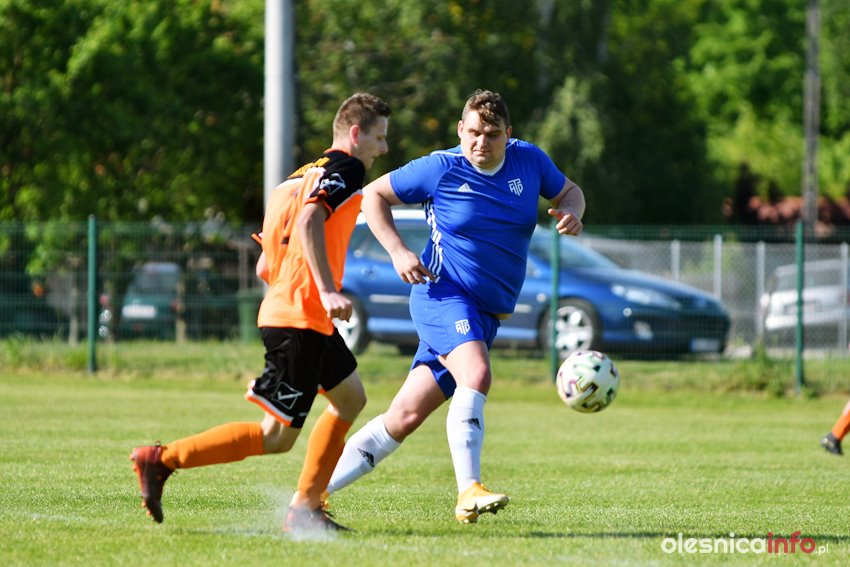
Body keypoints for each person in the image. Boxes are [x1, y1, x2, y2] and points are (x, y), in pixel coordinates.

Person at [129, 93, 391, 532]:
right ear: (355, 134)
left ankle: (306, 508)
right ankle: (162, 459)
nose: (383, 148)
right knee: (276, 436)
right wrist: (326, 290)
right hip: (300, 317)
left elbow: (264, 265)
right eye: (379, 138)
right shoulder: (347, 168)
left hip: (297, 312)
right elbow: (309, 221)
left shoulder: (293, 179)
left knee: (351, 399)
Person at [324, 89, 585, 524]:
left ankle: (312, 492)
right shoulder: (440, 167)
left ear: (508, 135)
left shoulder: (529, 161)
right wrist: (398, 252)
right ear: (460, 130)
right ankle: (469, 490)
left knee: (403, 417)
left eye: (493, 134)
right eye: (474, 132)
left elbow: (570, 191)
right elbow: (372, 196)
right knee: (476, 373)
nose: (481, 142)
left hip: (485, 315)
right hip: (442, 295)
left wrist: (573, 212)